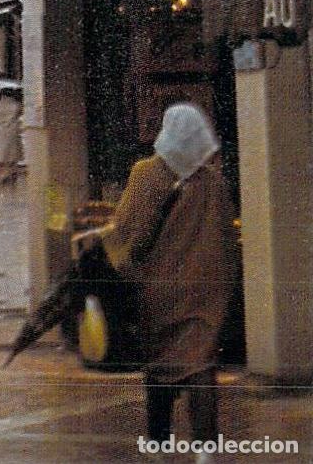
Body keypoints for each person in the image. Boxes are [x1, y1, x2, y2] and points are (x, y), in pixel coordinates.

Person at [87, 104, 234, 445]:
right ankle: (206, 446)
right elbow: (227, 241)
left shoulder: (147, 174)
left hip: (157, 291)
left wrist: (111, 255)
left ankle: (159, 442)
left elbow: (126, 234)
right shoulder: (215, 185)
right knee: (200, 364)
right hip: (205, 292)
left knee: (161, 364)